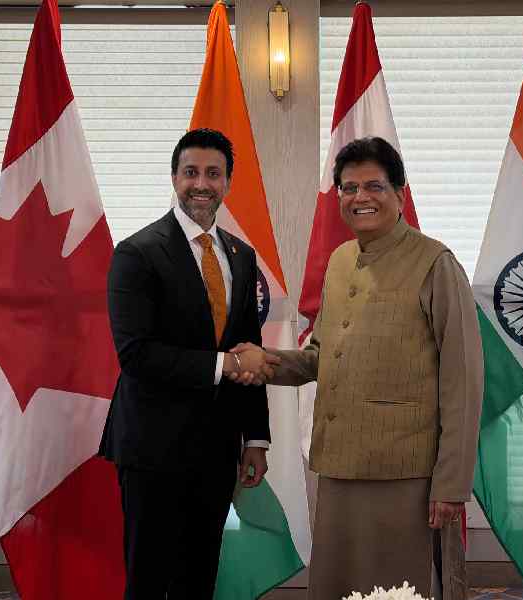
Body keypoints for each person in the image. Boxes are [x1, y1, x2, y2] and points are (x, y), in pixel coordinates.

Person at [233, 137, 484, 600]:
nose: (360, 198)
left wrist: (451, 484)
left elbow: (463, 383)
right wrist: (264, 362)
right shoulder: (341, 261)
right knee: (342, 587)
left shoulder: (436, 264)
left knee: (399, 590)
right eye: (349, 188)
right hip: (340, 468)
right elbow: (322, 356)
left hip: (406, 475)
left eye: (374, 186)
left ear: (400, 195)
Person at [99, 128, 272, 600]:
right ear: (174, 178)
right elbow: (135, 354)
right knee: (151, 580)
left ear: (228, 183)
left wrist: (255, 438)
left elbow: (249, 347)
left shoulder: (240, 254)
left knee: (199, 577)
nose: (201, 183)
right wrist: (224, 366)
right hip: (152, 450)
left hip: (216, 451)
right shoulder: (136, 253)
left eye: (213, 174)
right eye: (191, 172)